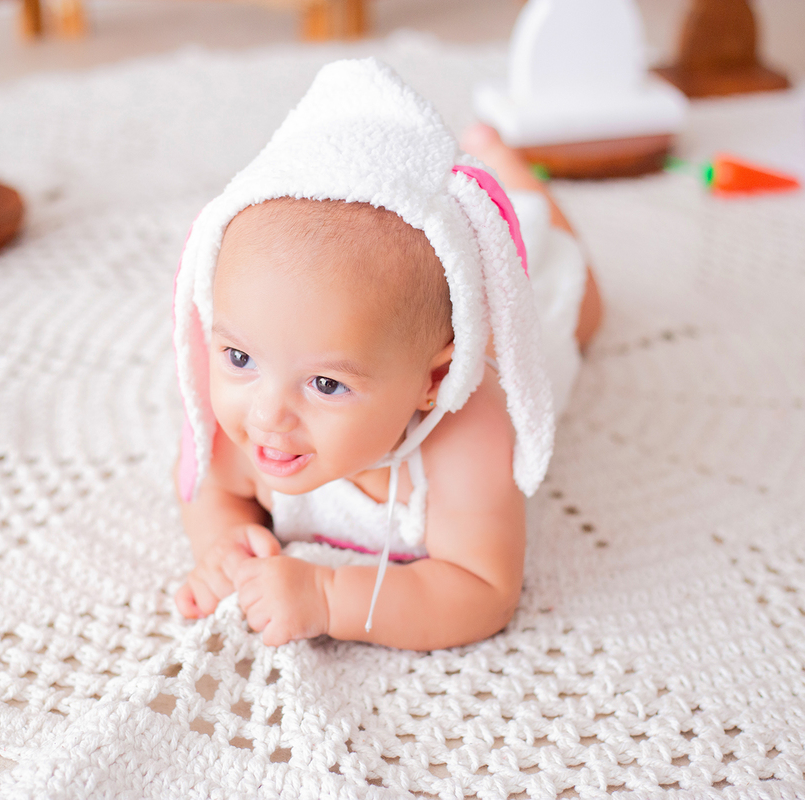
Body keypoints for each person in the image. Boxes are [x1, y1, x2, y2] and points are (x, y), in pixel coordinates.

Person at [171, 59, 601, 650]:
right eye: (240, 358)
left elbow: (482, 590)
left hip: (534, 303)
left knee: (576, 293)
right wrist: (223, 544)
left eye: (325, 384)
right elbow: (208, 487)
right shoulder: (249, 430)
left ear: (435, 378)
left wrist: (327, 597)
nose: (268, 415)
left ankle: (517, 179)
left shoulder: (465, 438)